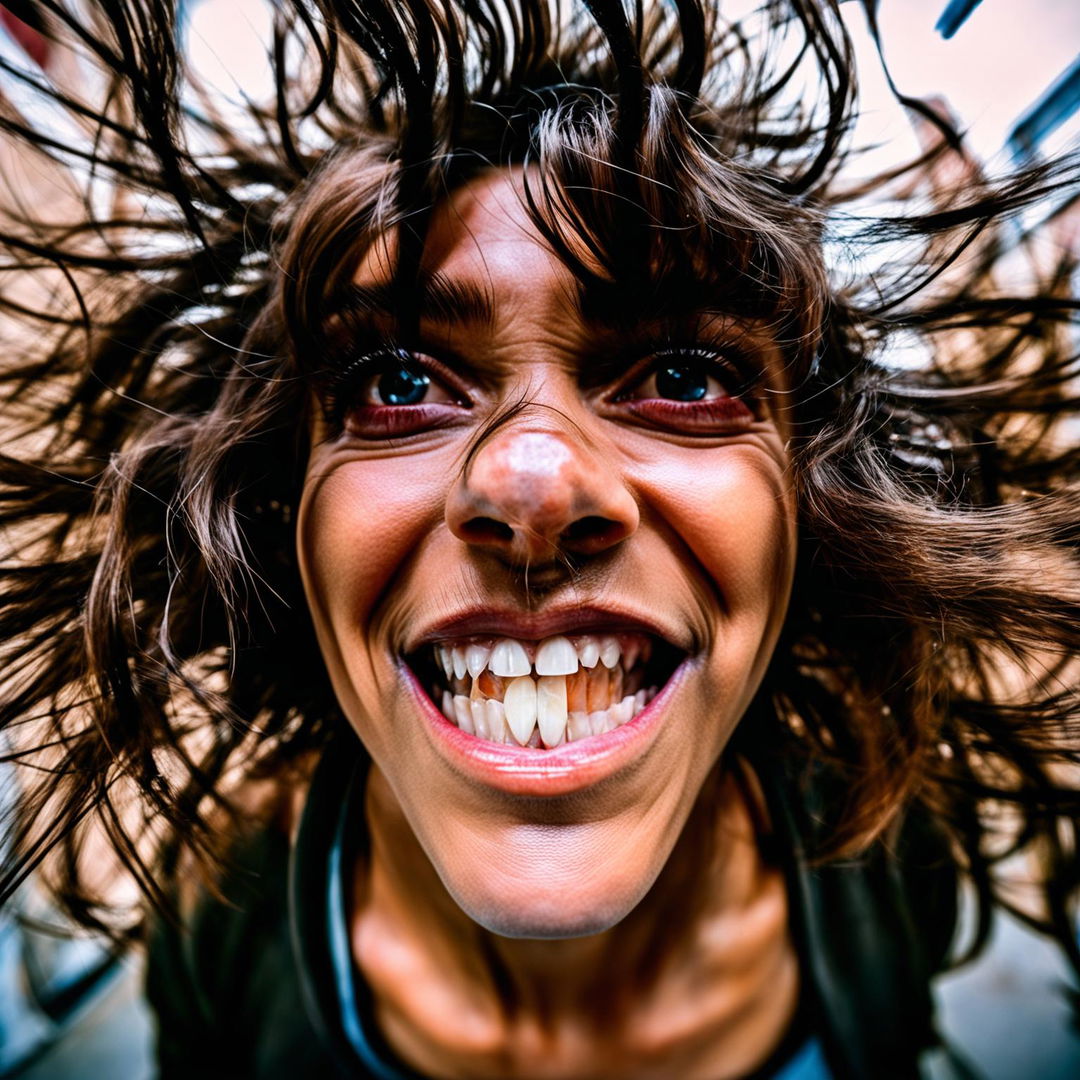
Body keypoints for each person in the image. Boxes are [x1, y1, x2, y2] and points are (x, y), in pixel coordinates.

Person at [0, 1, 1077, 1077]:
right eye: (400, 384)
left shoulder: (887, 847)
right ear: (287, 519)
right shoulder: (229, 908)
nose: (532, 481)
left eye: (683, 379)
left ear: (808, 508)